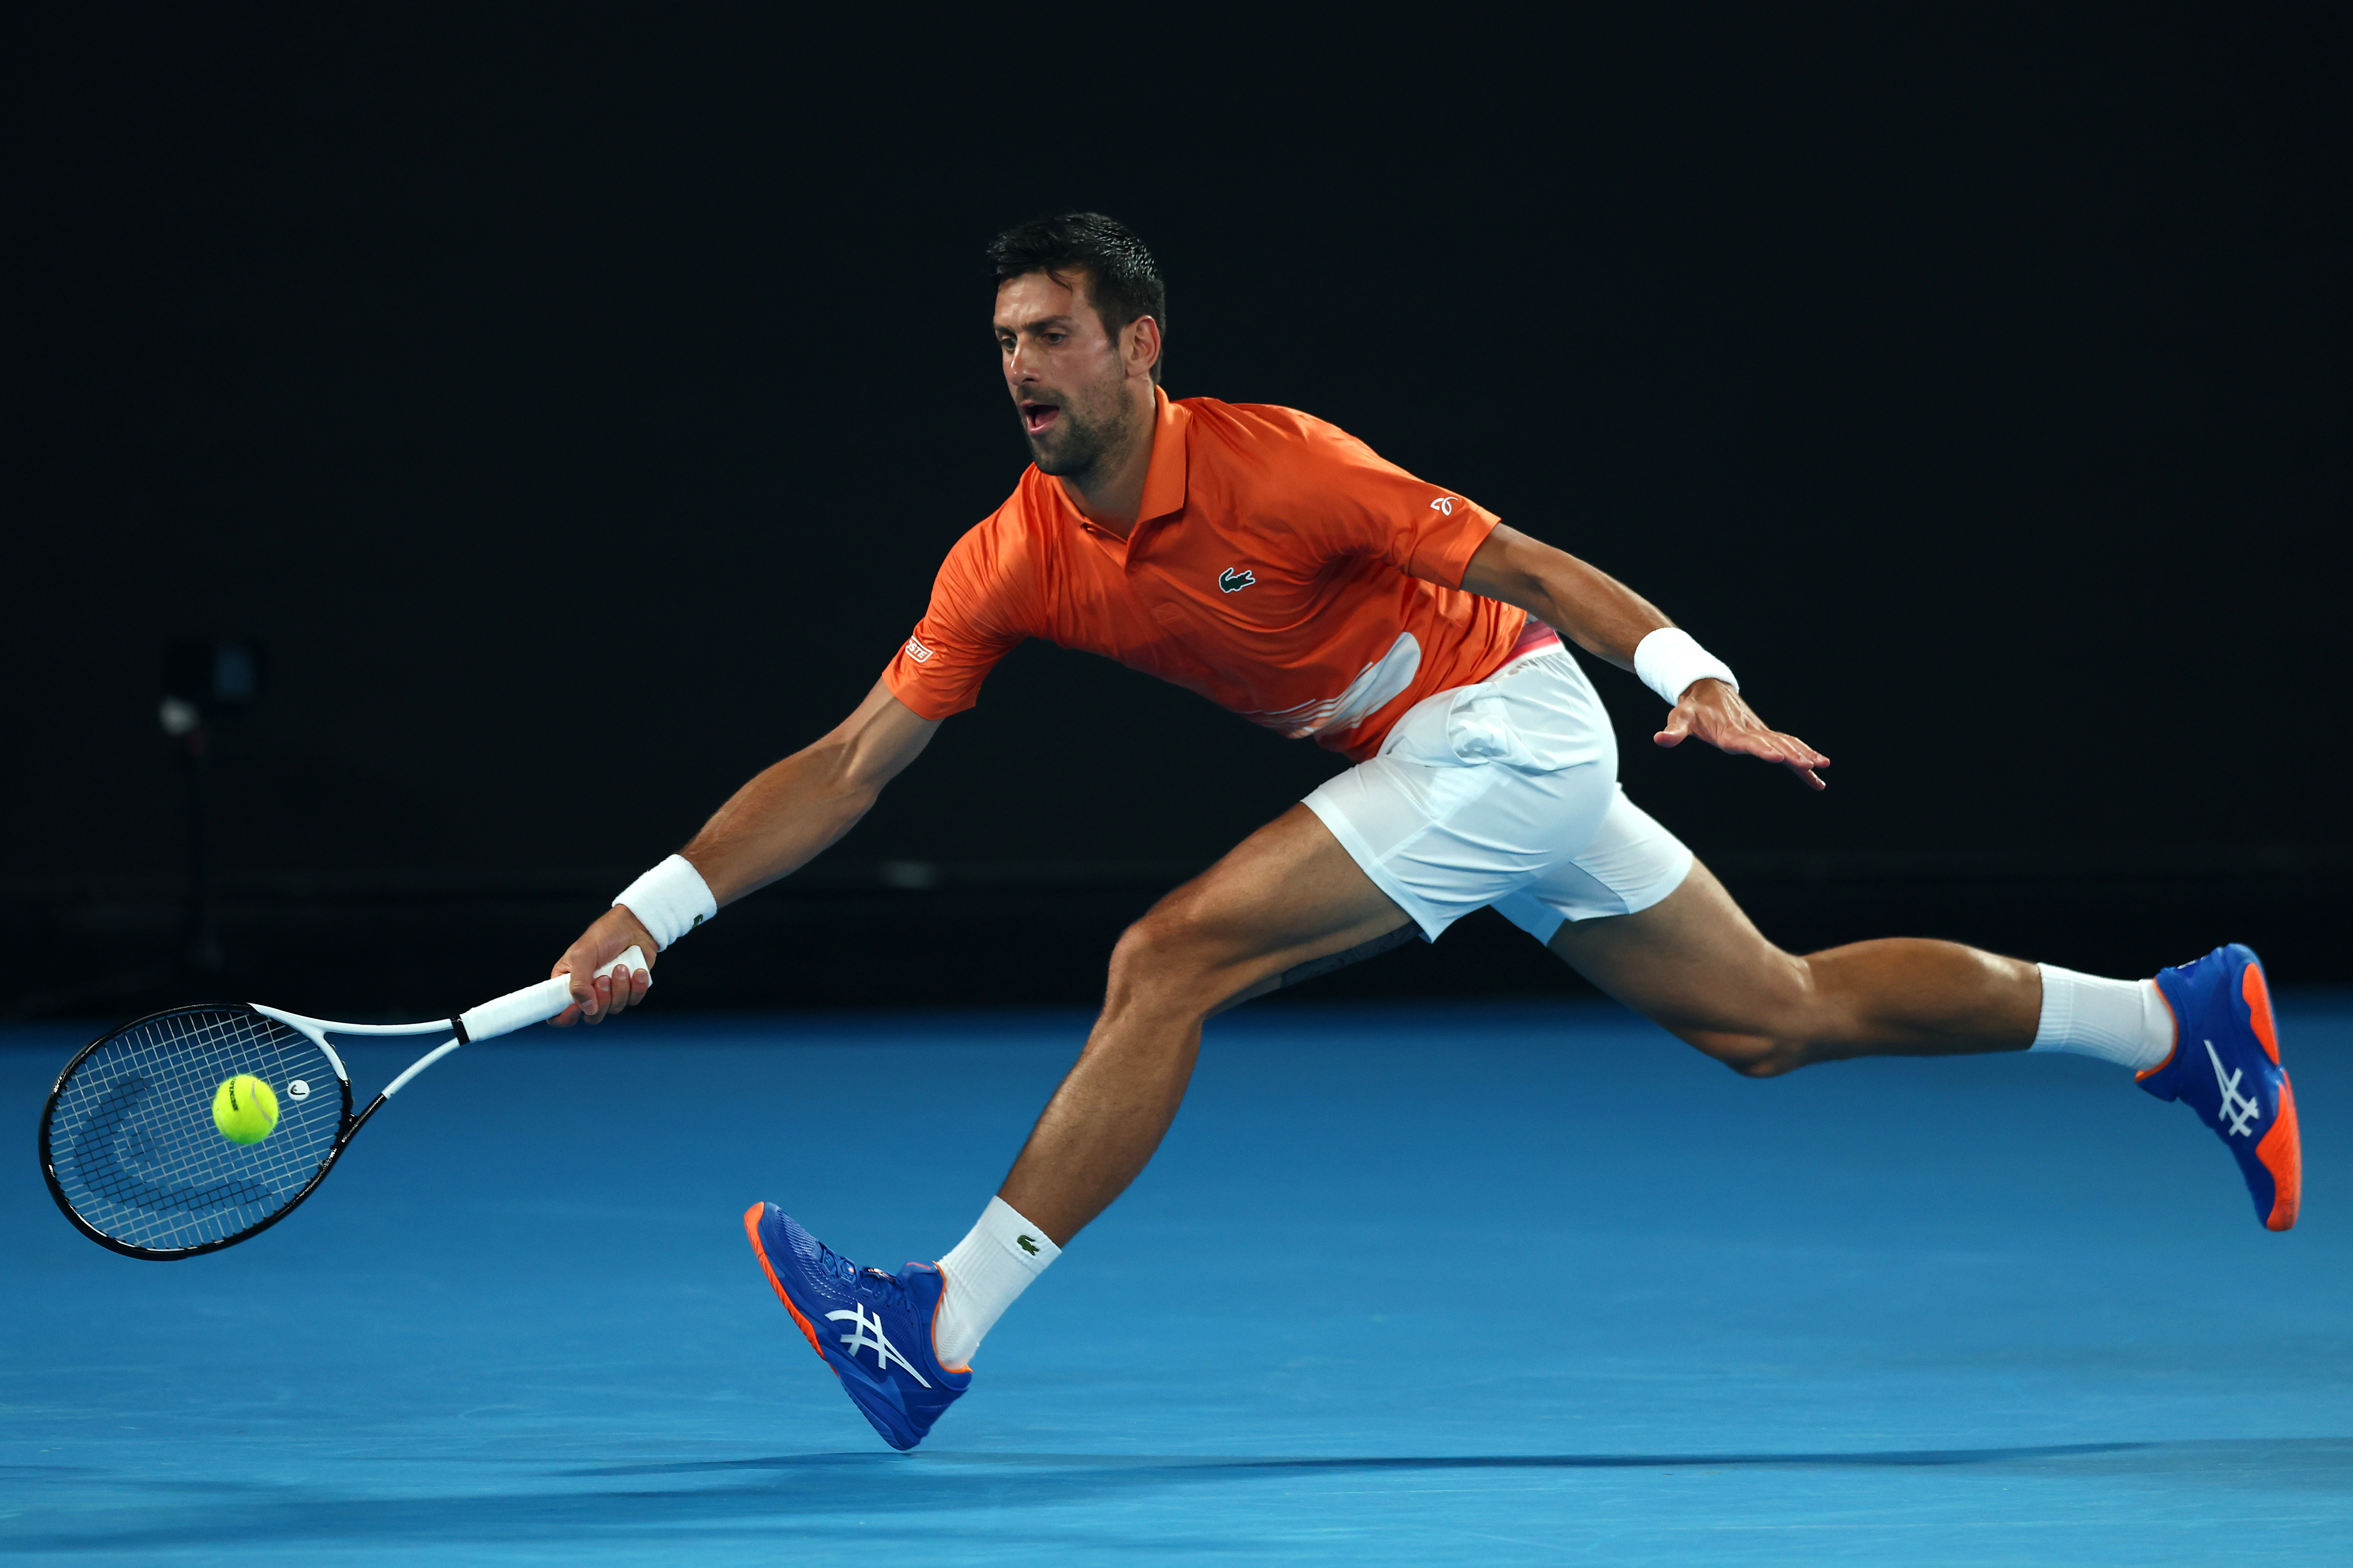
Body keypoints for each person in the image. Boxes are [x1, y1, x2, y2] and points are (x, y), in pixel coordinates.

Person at [551, 213, 2301, 1452]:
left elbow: (1527, 563)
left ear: (1136, 346)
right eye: (1003, 339)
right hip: (1462, 764)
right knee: (1772, 1018)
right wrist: (654, 908)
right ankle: (2169, 1026)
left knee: (1163, 960)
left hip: (1505, 727)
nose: (1021, 366)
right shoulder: (1008, 553)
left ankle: (932, 1329)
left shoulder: (1277, 462)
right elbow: (852, 763)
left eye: (1053, 334)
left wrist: (1688, 677)